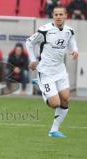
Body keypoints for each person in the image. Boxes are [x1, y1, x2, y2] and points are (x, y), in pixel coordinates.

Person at [26, 6, 78, 138]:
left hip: (60, 70)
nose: (59, 17)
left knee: (65, 99)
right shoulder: (44, 30)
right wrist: (32, 59)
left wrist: (75, 50)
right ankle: (40, 84)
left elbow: (71, 41)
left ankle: (54, 130)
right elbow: (29, 43)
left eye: (61, 14)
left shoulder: (69, 31)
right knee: (55, 103)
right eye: (56, 14)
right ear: (53, 16)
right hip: (46, 71)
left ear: (66, 15)